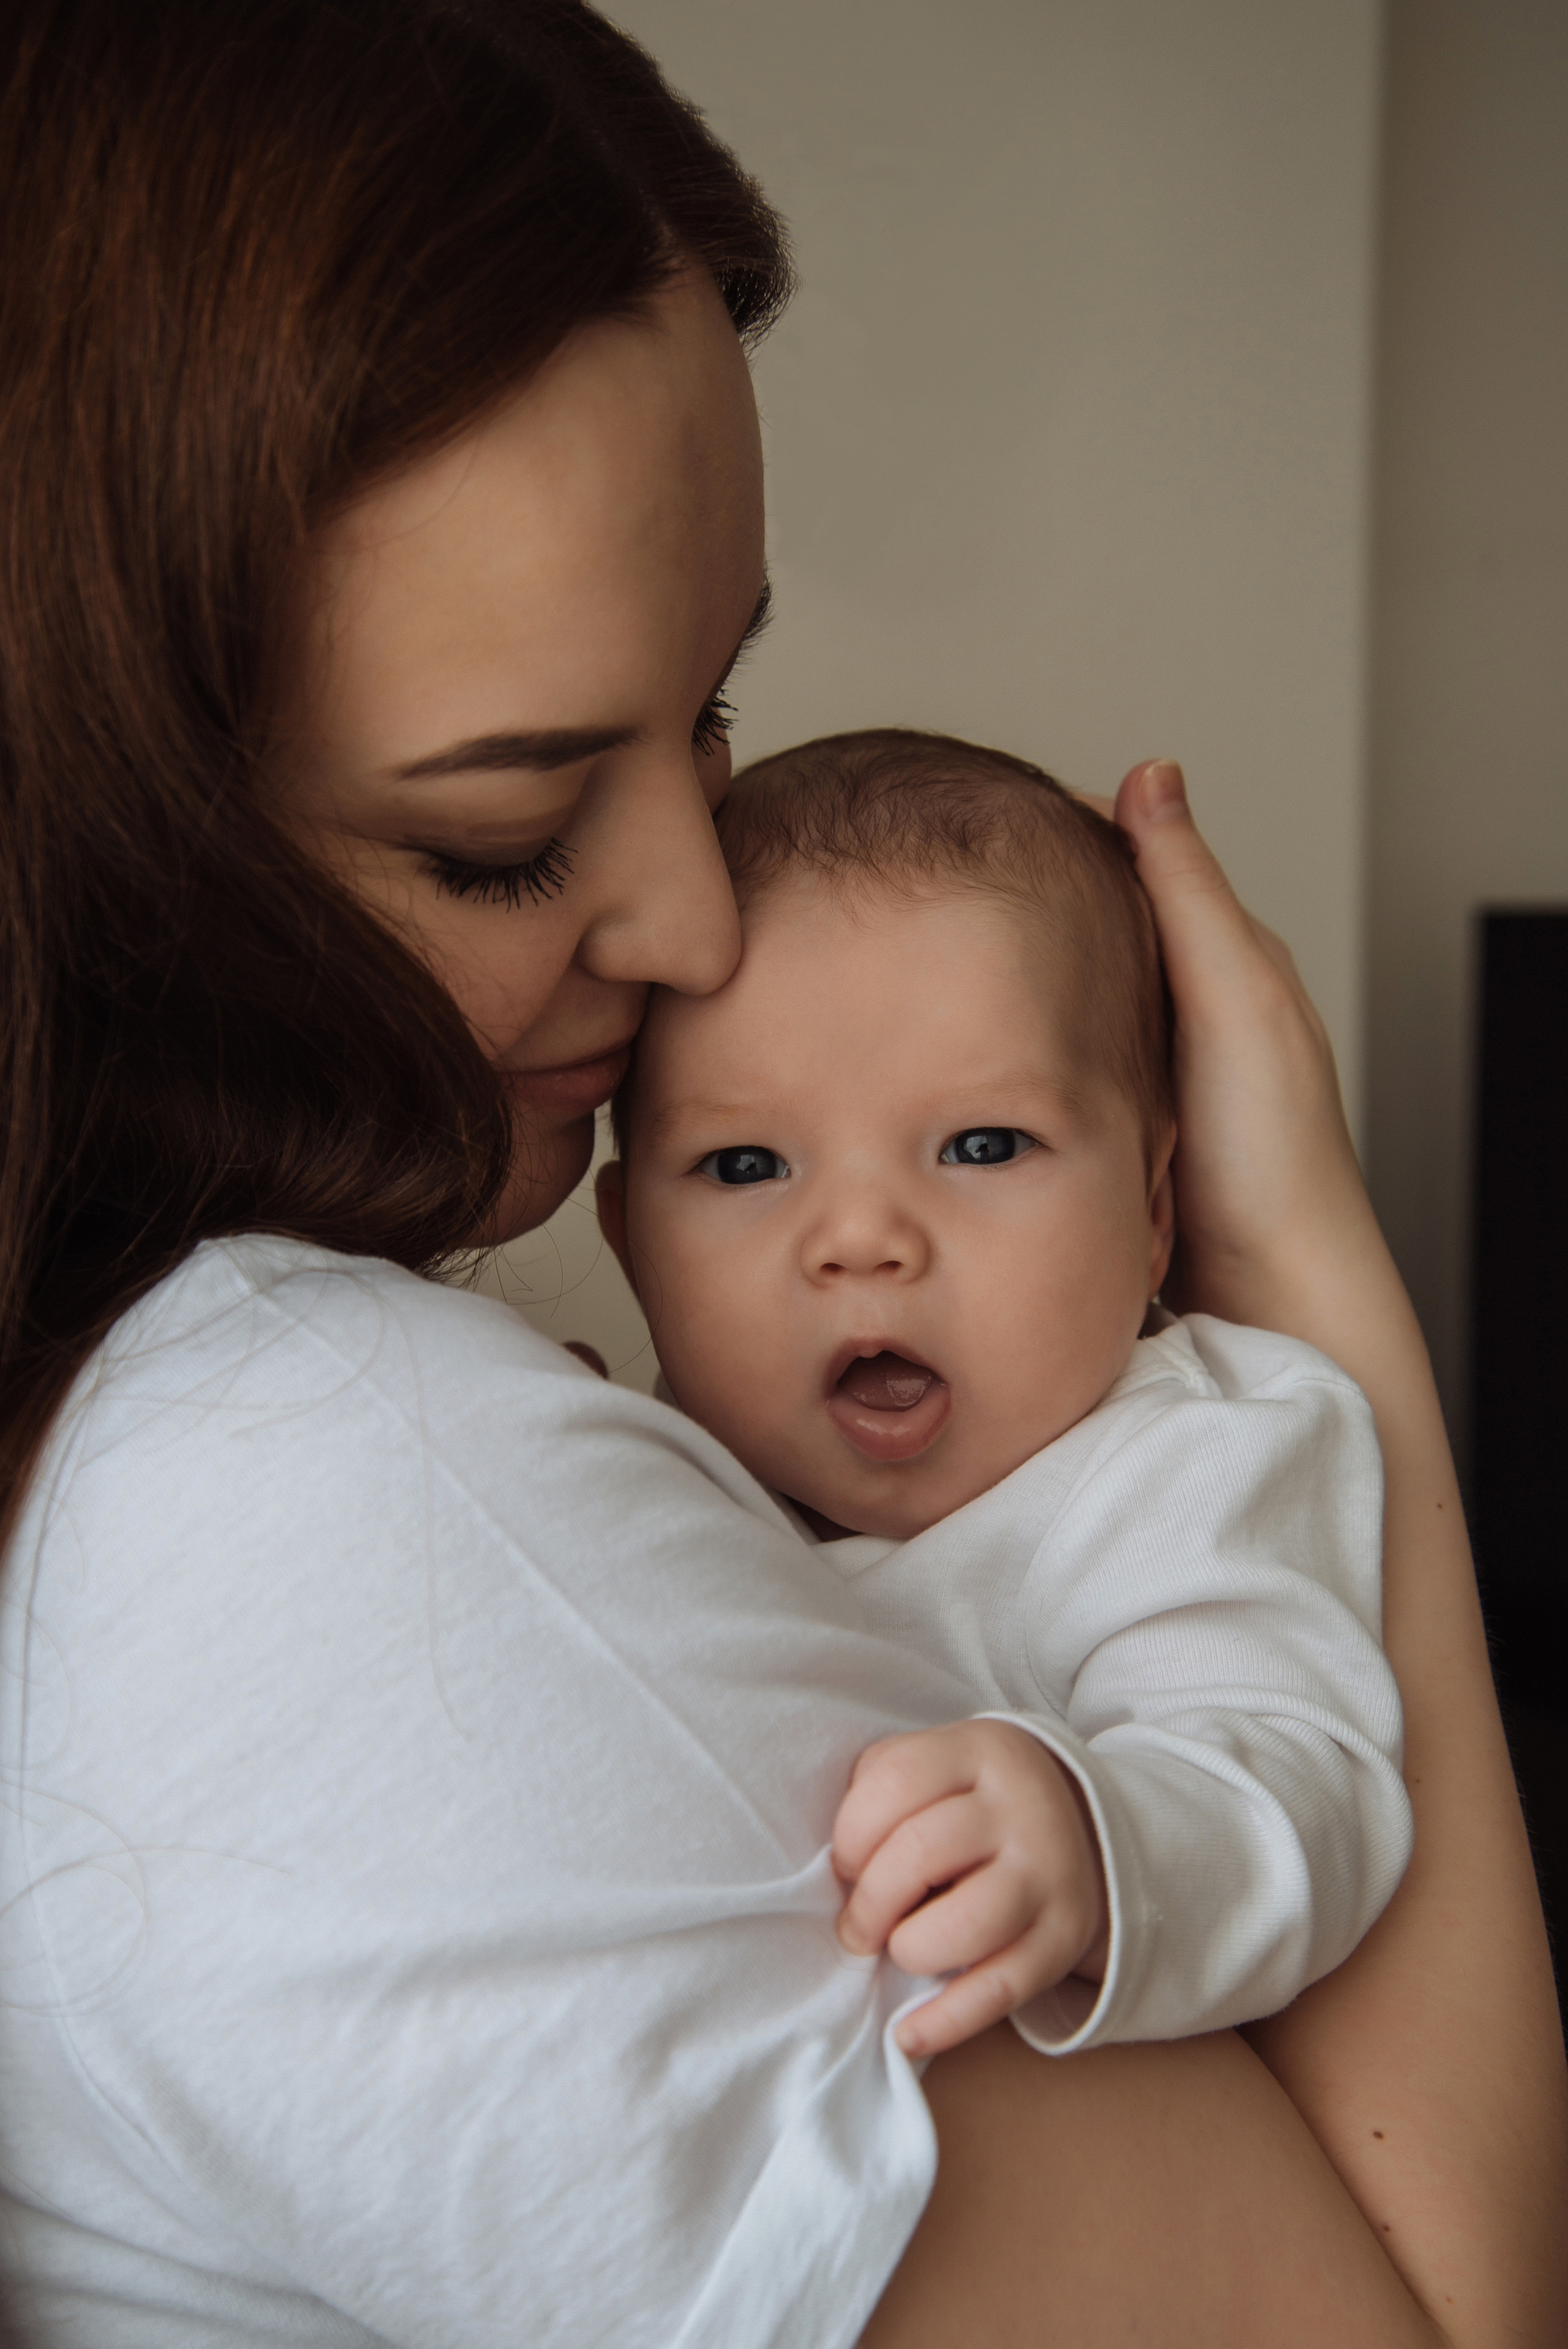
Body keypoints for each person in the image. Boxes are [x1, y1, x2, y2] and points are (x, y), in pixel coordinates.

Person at [0, 4, 1562, 2345]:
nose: (700, 920)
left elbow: (1270, 1748)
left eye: (714, 707)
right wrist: (1319, 1275)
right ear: (100, 819)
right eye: (509, 831)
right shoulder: (326, 1497)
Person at [594, 725, 1412, 2061]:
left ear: (1155, 1210)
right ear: (631, 1250)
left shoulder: (1183, 1465)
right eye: (745, 1166)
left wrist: (1101, 1838)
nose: (859, 1238)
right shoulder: (650, 1473)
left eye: (980, 1146)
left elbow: (1304, 1782)